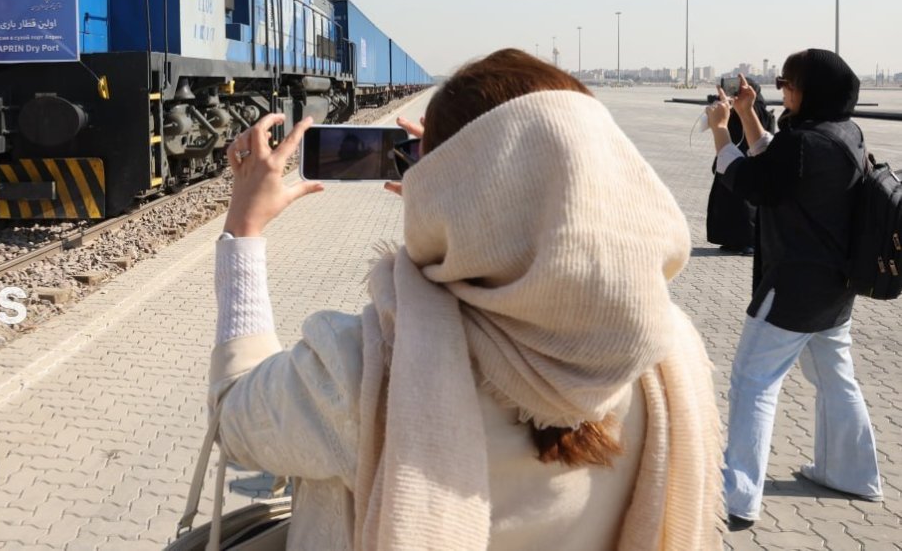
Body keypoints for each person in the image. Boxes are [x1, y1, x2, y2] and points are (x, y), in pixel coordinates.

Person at [210, 49, 721, 550]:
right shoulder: (668, 354)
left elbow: (233, 414)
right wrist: (463, 214)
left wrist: (243, 231)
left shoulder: (362, 371)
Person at [707, 49, 882, 527]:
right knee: (834, 380)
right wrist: (747, 113)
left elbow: (750, 181)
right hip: (833, 290)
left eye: (789, 82)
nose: (782, 88)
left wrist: (722, 128)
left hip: (791, 291)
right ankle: (851, 473)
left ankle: (737, 497)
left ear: (814, 91)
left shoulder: (803, 144)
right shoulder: (843, 133)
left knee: (752, 382)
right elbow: (780, 170)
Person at [706, 77, 774, 254]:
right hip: (732, 161)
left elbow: (762, 140)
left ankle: (749, 240)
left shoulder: (756, 109)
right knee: (727, 204)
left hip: (745, 162)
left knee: (746, 204)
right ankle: (731, 239)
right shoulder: (735, 107)